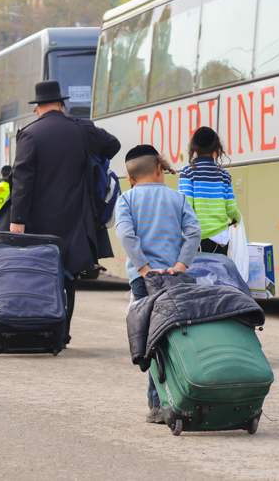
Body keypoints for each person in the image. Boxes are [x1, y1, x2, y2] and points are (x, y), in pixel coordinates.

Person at [10, 80, 121, 346]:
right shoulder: (84, 129)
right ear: (62, 104)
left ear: (38, 108)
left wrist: (17, 221)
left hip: (39, 222)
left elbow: (22, 181)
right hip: (77, 218)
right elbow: (113, 146)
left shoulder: (30, 134)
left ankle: (41, 329)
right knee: (68, 275)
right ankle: (62, 333)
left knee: (41, 275)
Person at [115, 144, 202, 424]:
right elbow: (194, 231)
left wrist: (144, 268)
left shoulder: (126, 200)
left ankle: (157, 404)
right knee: (174, 337)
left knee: (151, 341)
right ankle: (179, 396)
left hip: (143, 282)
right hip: (175, 280)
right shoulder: (177, 198)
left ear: (130, 178)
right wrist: (180, 265)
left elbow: (127, 236)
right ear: (158, 169)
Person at [177, 126, 240, 254]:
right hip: (220, 239)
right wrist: (238, 219)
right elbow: (231, 209)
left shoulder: (187, 173)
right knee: (219, 273)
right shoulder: (224, 175)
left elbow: (185, 206)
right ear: (217, 149)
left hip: (197, 239)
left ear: (193, 149)